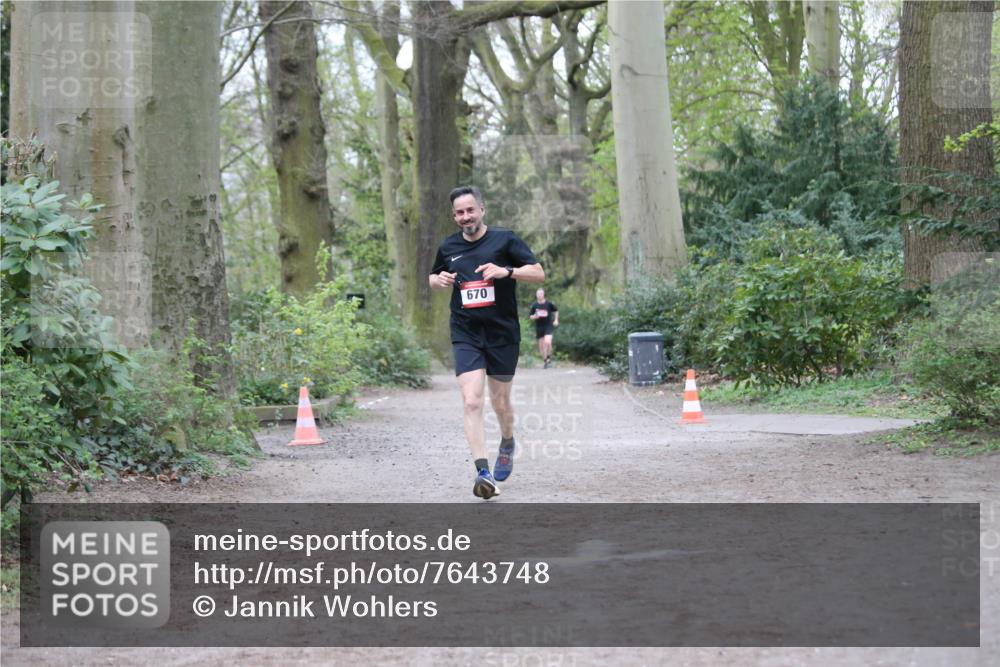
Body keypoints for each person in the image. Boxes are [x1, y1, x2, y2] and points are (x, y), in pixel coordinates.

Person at [429, 185, 545, 499]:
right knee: (471, 401)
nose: (466, 216)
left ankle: (507, 441)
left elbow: (538, 273)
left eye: (470, 210)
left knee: (500, 402)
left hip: (502, 334)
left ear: (482, 209)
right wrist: (438, 280)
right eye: (459, 213)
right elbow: (434, 276)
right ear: (454, 216)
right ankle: (483, 473)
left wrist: (506, 271)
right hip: (465, 333)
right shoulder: (448, 246)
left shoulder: (505, 239)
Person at [529, 288, 559, 368]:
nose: (539, 295)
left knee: (547, 342)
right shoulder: (534, 305)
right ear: (536, 295)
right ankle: (546, 361)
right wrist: (535, 316)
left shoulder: (549, 304)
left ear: (543, 294)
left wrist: (556, 320)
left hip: (548, 325)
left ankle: (548, 357)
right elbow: (531, 316)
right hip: (539, 327)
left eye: (540, 294)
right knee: (541, 346)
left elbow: (556, 310)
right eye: (537, 294)